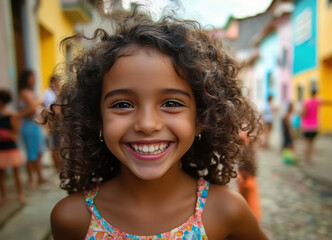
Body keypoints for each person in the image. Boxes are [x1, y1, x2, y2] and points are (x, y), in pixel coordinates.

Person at [46, 6, 267, 240]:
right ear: (96, 119)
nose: (147, 124)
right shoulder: (72, 219)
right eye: (122, 105)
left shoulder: (227, 211)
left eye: (171, 103)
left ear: (202, 118)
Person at [17, 70, 47, 189]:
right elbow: (32, 108)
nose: (34, 80)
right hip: (28, 125)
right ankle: (31, 180)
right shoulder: (24, 92)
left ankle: (40, 177)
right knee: (31, 153)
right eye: (32, 77)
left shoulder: (31, 92)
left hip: (35, 125)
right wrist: (38, 103)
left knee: (39, 152)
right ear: (27, 79)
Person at [0, 89, 25, 203]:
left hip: (11, 147)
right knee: (1, 173)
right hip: (1, 148)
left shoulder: (12, 115)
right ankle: (3, 196)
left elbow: (15, 135)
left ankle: (20, 194)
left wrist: (6, 134)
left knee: (16, 172)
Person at [237, 132, 262, 222]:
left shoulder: (244, 180)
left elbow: (243, 201)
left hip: (250, 217)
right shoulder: (251, 177)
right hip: (255, 213)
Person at [43, 75, 61, 171]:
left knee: (59, 145)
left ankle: (59, 165)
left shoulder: (56, 92)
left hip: (58, 123)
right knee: (55, 146)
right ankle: (57, 166)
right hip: (53, 123)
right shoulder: (48, 93)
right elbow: (54, 110)